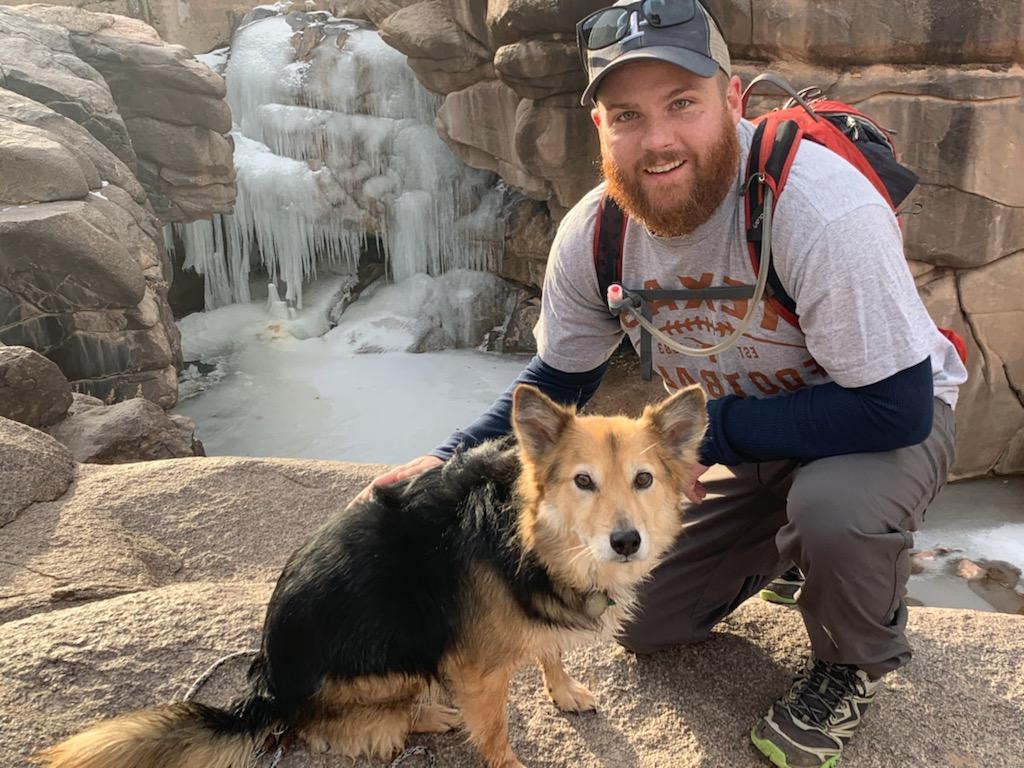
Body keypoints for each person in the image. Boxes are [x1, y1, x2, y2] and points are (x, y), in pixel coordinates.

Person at [354, 1, 968, 765]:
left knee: (835, 512)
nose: (658, 140)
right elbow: (559, 381)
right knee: (646, 621)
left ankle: (850, 658)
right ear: (600, 129)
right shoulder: (597, 233)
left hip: (882, 423)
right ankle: (793, 550)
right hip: (748, 442)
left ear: (732, 102)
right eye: (627, 115)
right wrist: (443, 460)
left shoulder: (818, 209)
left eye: (683, 103)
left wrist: (720, 440)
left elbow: (895, 406)